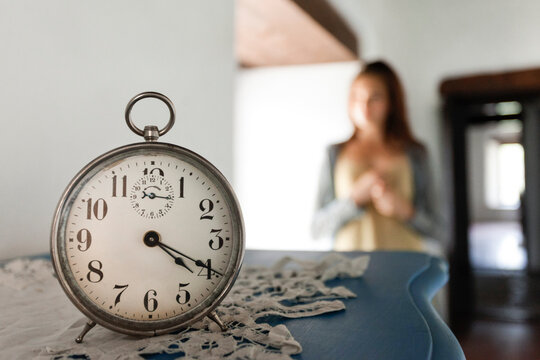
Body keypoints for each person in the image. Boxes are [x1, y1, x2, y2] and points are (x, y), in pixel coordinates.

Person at [311, 60, 440, 252]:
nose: (365, 106)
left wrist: (405, 211)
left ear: (391, 102)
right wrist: (354, 200)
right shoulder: (334, 153)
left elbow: (439, 230)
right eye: (357, 97)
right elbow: (317, 228)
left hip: (405, 270)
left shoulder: (416, 154)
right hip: (347, 270)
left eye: (375, 97)